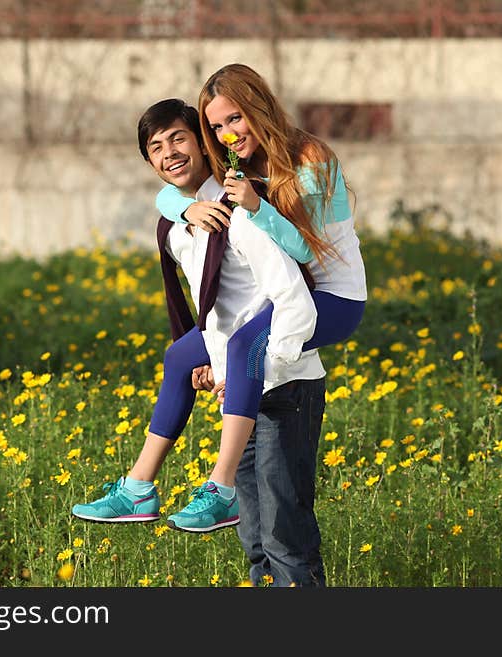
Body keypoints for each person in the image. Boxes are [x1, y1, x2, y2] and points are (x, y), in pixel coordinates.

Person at [72, 98, 329, 585]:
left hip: (282, 381)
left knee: (284, 541)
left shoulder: (241, 206)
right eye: (155, 146)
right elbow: (204, 307)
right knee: (256, 545)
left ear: (205, 144)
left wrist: (239, 363)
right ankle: (140, 486)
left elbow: (288, 293)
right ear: (148, 162)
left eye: (178, 138)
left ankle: (216, 485)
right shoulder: (178, 220)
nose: (168, 151)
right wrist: (212, 361)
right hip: (239, 386)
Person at [151, 62, 367, 496]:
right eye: (216, 127)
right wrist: (185, 210)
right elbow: (167, 188)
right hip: (286, 297)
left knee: (244, 346)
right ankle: (139, 486)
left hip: (334, 298)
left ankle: (221, 486)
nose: (229, 134)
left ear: (259, 107)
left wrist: (256, 206)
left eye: (235, 118)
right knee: (179, 358)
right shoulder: (236, 161)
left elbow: (307, 250)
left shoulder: (311, 159)